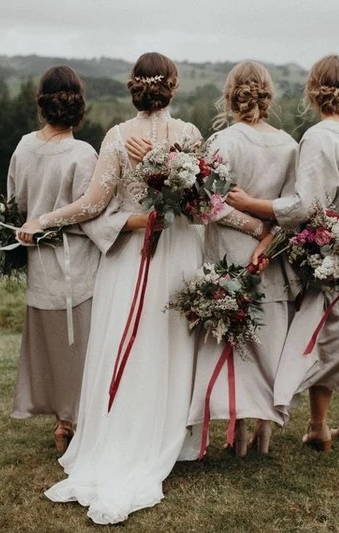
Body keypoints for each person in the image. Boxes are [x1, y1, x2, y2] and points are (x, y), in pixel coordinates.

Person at [18, 52, 203, 525]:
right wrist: (170, 168)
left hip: (128, 261)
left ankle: (124, 437)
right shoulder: (189, 136)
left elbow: (92, 205)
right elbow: (201, 205)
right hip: (172, 255)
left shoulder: (118, 137)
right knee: (163, 346)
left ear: (132, 87)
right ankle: (164, 437)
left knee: (134, 343)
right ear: (173, 86)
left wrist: (44, 219)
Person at [229, 54, 339, 450]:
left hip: (328, 253)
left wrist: (252, 202)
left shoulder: (318, 138)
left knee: (320, 337)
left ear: (312, 91)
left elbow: (303, 208)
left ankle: (319, 425)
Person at [184, 61, 298, 456]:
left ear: (231, 94)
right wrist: (267, 235)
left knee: (234, 345)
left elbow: (206, 207)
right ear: (267, 95)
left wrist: (250, 230)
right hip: (273, 258)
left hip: (230, 258)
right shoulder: (289, 145)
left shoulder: (222, 143)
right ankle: (263, 431)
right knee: (269, 345)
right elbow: (293, 209)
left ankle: (240, 432)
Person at [7, 65, 100, 454]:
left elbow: (16, 206)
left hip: (39, 265)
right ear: (78, 105)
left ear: (42, 102)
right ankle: (73, 422)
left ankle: (62, 421)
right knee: (80, 347)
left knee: (51, 348)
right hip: (76, 263)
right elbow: (90, 211)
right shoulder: (83, 154)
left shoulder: (23, 147)